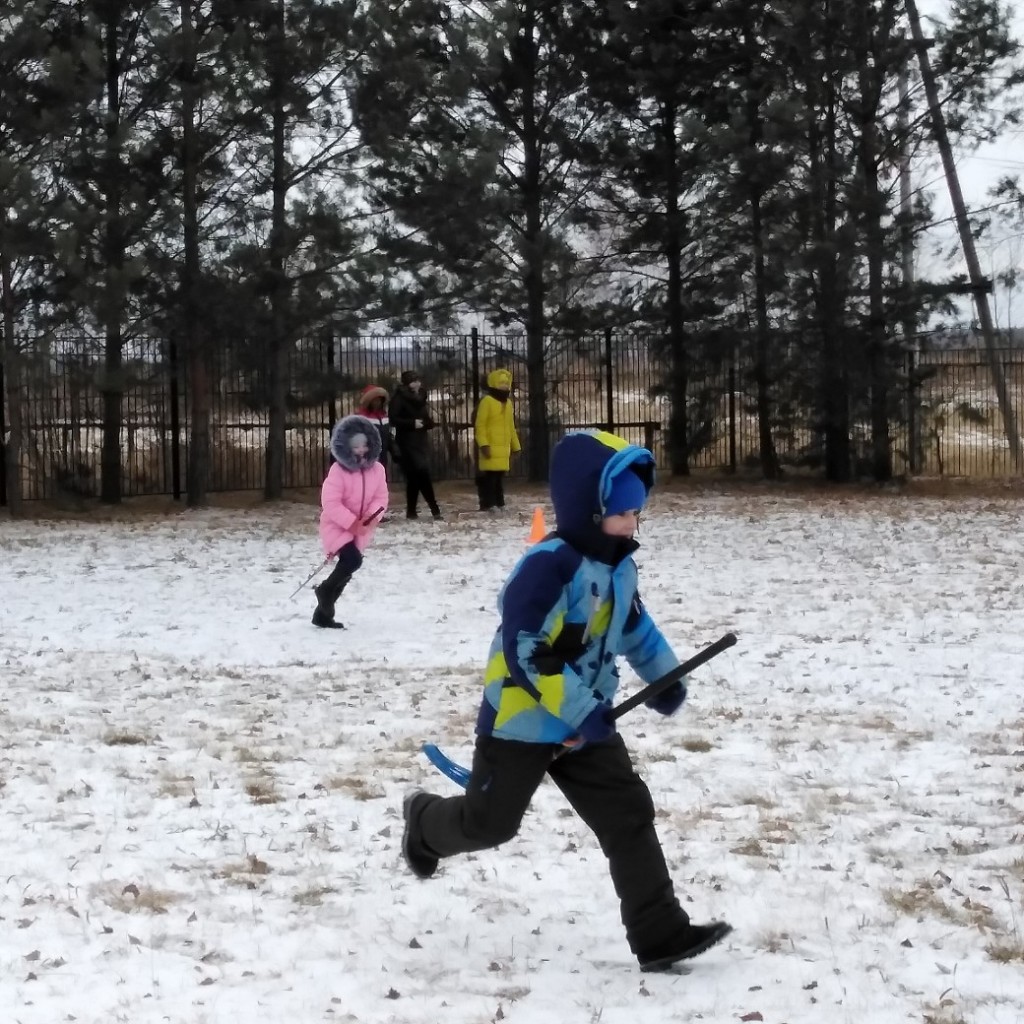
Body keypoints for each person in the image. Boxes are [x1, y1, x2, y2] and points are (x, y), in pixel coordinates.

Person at [401, 429, 732, 972]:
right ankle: (425, 822)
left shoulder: (618, 566)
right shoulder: (548, 567)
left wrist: (664, 677)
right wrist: (582, 710)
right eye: (621, 513)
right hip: (523, 721)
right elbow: (525, 650)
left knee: (627, 813)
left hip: (588, 721)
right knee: (491, 825)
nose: (632, 524)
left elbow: (634, 627)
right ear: (588, 509)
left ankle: (660, 934)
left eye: (637, 513)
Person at [313, 414, 390, 629]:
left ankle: (322, 615)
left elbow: (381, 498)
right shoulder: (338, 471)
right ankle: (325, 590)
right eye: (356, 446)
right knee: (353, 560)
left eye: (364, 445)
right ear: (347, 447)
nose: (361, 450)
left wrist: (371, 518)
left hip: (362, 528)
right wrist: (351, 523)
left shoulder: (378, 470)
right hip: (337, 525)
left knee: (346, 572)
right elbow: (330, 502)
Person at [389, 370, 442, 520]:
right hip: (406, 442)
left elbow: (424, 417)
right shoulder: (399, 398)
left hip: (420, 441)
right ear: (407, 384)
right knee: (422, 473)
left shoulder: (421, 397)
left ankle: (411, 511)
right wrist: (411, 424)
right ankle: (435, 509)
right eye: (413, 381)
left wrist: (428, 423)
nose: (417, 384)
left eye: (418, 381)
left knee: (414, 478)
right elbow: (393, 418)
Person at [474, 367, 521, 513]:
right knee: (490, 478)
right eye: (501, 383)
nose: (504, 386)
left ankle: (500, 503)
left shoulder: (508, 404)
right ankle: (489, 503)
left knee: (499, 478)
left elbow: (511, 426)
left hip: (503, 448)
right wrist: (484, 445)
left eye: (506, 384)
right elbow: (480, 426)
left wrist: (516, 446)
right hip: (490, 447)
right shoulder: (487, 401)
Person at [355, 383, 396, 478]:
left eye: (379, 400)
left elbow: (388, 435)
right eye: (375, 400)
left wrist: (394, 449)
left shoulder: (384, 416)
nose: (377, 402)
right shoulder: (361, 417)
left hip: (382, 455)